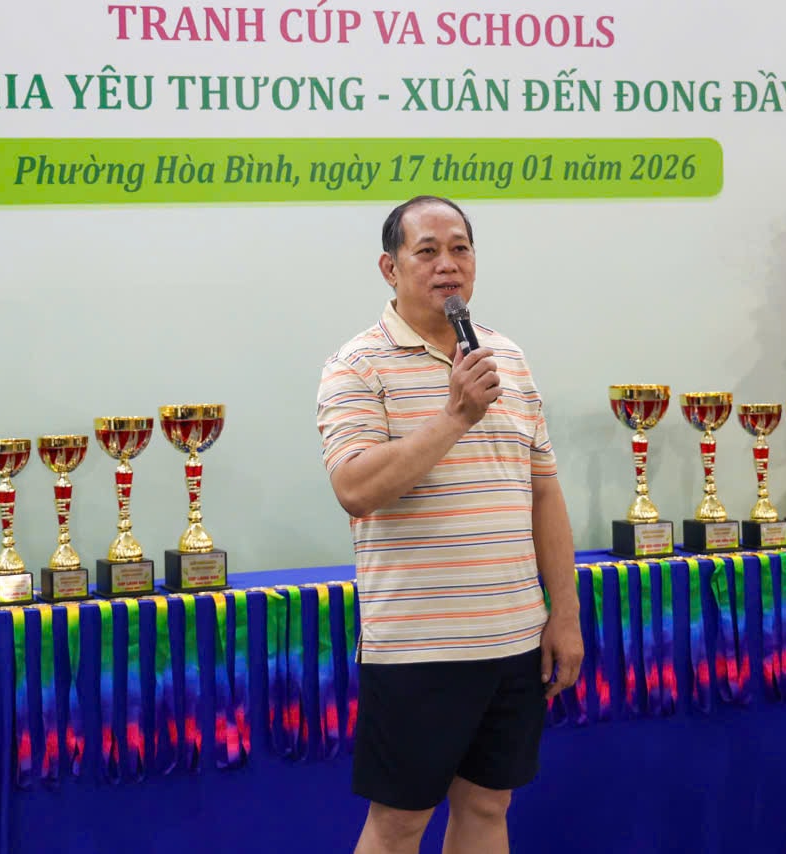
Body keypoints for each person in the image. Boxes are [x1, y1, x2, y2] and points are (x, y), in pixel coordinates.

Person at [315, 195, 583, 854]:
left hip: (515, 637)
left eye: (460, 249)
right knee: (399, 823)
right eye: (427, 251)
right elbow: (355, 489)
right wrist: (455, 416)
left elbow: (543, 490)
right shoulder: (356, 364)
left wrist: (565, 613)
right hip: (419, 645)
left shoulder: (506, 356)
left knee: (489, 806)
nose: (448, 265)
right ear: (390, 267)